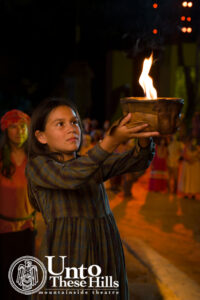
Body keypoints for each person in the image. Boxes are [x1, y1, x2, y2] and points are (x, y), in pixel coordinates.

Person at [26, 97, 159, 299]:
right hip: (68, 251)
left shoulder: (90, 164)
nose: (71, 129)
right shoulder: (38, 166)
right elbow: (69, 177)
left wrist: (142, 135)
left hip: (104, 247)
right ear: (41, 136)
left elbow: (137, 160)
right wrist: (111, 141)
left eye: (74, 122)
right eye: (60, 124)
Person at [0, 109, 35, 300]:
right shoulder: (0, 159)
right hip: (2, 230)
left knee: (23, 284)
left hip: (26, 230)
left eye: (22, 126)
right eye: (13, 127)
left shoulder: (36, 160)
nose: (19, 130)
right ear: (6, 130)